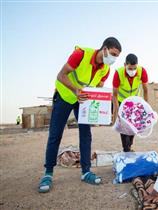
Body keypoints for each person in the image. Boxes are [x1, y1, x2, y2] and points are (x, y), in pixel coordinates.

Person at [38, 37, 122, 193]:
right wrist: (75, 90)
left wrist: (101, 112)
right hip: (65, 96)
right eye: (112, 54)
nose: (114, 59)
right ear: (104, 49)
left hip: (82, 101)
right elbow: (61, 75)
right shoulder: (80, 54)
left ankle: (86, 172)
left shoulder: (105, 69)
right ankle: (48, 173)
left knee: (86, 134)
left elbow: (98, 90)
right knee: (55, 134)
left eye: (117, 56)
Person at [112, 53, 148, 152]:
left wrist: (145, 106)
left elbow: (146, 90)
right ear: (125, 65)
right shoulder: (118, 73)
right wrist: (117, 110)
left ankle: (129, 145)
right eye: (130, 68)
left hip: (134, 102)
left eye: (134, 68)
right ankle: (126, 148)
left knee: (133, 124)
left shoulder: (142, 71)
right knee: (124, 125)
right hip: (121, 101)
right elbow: (114, 94)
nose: (132, 71)